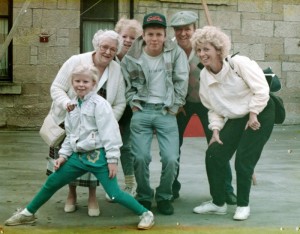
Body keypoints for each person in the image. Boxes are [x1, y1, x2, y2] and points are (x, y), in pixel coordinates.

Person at [4, 64, 154, 229]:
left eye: (85, 81)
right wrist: (63, 156)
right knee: (51, 182)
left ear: (93, 84)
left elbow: (110, 132)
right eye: (77, 81)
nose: (81, 85)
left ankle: (145, 213)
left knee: (114, 194)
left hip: (100, 157)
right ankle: (28, 213)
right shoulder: (72, 105)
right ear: (72, 82)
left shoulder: (100, 104)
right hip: (78, 157)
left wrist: (112, 159)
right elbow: (70, 135)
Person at [190, 26, 275, 220]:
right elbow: (213, 108)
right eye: (199, 50)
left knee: (243, 158)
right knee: (214, 154)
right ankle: (218, 203)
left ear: (218, 50)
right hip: (238, 116)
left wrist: (253, 114)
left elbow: (262, 90)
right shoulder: (204, 75)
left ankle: (243, 205)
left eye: (206, 49)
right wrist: (216, 130)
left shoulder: (239, 63)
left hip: (261, 111)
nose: (202, 54)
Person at [46, 30, 126, 216]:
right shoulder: (76, 61)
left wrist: (107, 121)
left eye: (112, 49)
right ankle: (71, 194)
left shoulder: (116, 69)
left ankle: (92, 197)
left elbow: (120, 101)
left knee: (93, 160)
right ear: (96, 45)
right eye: (104, 47)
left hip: (97, 126)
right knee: (67, 160)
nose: (107, 52)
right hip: (69, 118)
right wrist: (67, 104)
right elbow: (57, 87)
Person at [121, 12, 189, 215]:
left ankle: (164, 196)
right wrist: (133, 104)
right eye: (150, 34)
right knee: (140, 157)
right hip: (141, 111)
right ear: (143, 34)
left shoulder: (175, 52)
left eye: (159, 34)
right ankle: (143, 195)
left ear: (165, 34)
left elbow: (181, 81)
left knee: (170, 158)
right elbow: (127, 84)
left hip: (165, 112)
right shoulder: (131, 56)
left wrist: (174, 107)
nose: (155, 39)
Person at [169, 11, 237, 204]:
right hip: (181, 104)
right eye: (179, 29)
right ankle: (171, 188)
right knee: (173, 147)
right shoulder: (170, 48)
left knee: (218, 146)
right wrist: (176, 101)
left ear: (194, 28)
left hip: (209, 103)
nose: (183, 33)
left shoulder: (203, 46)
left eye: (187, 29)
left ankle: (225, 189)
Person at [111, 17, 143, 197]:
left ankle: (130, 183)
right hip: (112, 108)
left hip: (131, 110)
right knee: (108, 147)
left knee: (127, 147)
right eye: (125, 36)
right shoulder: (110, 56)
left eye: (133, 37)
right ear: (118, 36)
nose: (128, 40)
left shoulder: (139, 59)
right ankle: (111, 185)